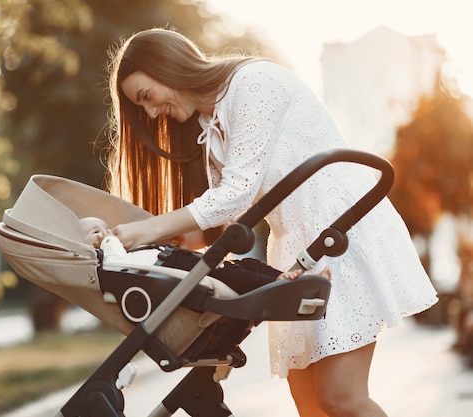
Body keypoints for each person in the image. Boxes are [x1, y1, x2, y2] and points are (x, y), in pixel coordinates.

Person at [102, 28, 438, 417]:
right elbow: (217, 219)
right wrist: (123, 241)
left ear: (169, 68)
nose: (149, 112)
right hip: (299, 248)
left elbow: (237, 192)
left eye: (146, 97)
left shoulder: (252, 83)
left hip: (338, 230)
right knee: (310, 404)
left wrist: (142, 230)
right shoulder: (209, 128)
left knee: (340, 398)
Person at [80, 216, 331, 294]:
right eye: (95, 232)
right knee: (230, 272)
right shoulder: (108, 260)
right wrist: (110, 240)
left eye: (105, 228)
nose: (105, 233)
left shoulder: (125, 249)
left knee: (247, 263)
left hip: (178, 261)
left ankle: (290, 279)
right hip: (175, 267)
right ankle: (279, 287)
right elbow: (115, 264)